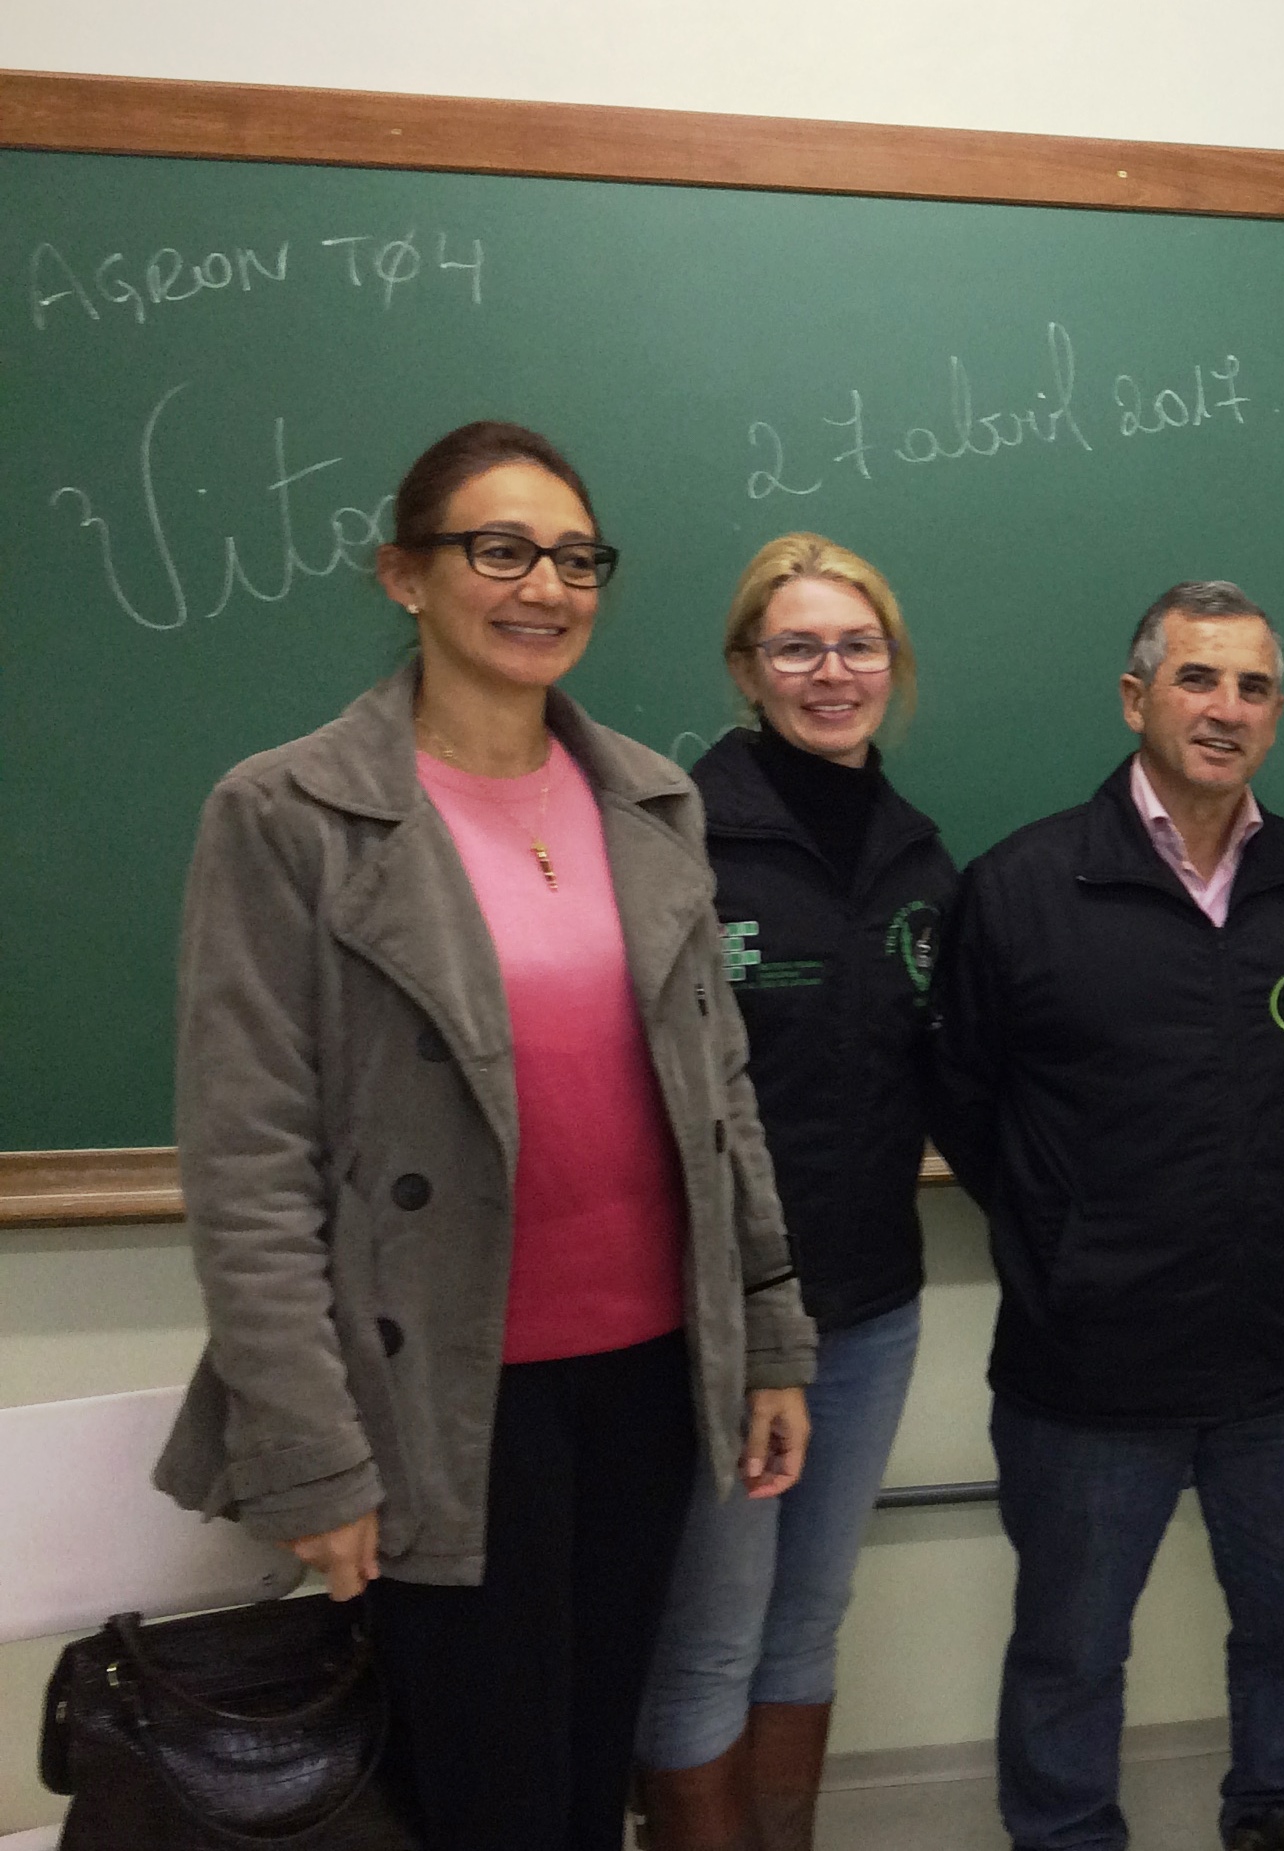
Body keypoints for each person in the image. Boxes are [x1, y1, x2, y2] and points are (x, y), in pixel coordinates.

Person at [151, 420, 817, 1851]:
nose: (546, 586)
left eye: (577, 558)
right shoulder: (289, 812)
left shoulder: (651, 799)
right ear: (405, 573)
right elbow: (249, 1166)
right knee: (483, 1796)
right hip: (441, 1403)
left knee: (589, 1772)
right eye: (500, 550)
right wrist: (311, 1452)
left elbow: (721, 1099)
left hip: (646, 1377)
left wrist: (769, 1333)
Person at [931, 581, 1284, 1851]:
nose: (1225, 709)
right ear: (1136, 698)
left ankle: (1283, 1811)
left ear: (1277, 716)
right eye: (1197, 678)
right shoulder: (1021, 887)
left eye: (1252, 687)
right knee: (1069, 1648)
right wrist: (1074, 1237)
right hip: (1089, 1363)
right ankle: (1065, 1830)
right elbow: (964, 1100)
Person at [632, 534, 960, 1850]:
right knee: (712, 1632)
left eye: (858, 645)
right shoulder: (678, 836)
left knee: (809, 1616)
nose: (833, 673)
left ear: (895, 663)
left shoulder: (920, 857)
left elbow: (953, 1071)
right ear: (746, 668)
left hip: (872, 1305)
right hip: (719, 1314)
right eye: (798, 647)